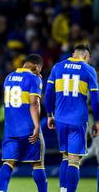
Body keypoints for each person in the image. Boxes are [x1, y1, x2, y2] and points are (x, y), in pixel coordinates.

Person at [45, 45, 99, 192]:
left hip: (60, 118)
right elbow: (95, 98)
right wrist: (98, 121)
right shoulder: (89, 70)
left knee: (65, 157)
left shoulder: (57, 67)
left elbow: (48, 93)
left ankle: (63, 190)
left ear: (73, 54)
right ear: (86, 57)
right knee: (74, 160)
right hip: (78, 119)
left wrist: (49, 114)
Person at [0, 54, 47, 192]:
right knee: (37, 164)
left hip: (11, 129)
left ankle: (2, 190)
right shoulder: (34, 78)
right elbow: (34, 102)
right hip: (28, 128)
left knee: (8, 162)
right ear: (37, 67)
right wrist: (37, 126)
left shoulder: (8, 78)